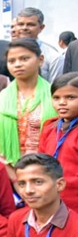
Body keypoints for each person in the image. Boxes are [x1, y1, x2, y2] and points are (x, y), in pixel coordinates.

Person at [0, 39, 58, 181]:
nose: (18, 64)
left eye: (24, 58)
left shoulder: (56, 98)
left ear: (40, 60)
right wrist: (17, 180)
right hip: (10, 177)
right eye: (12, 61)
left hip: (52, 175)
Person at [38, 72, 78, 211]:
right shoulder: (50, 126)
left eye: (70, 97)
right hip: (52, 199)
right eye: (56, 98)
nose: (62, 102)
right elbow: (41, 161)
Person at [15, 8, 63, 82]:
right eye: (20, 24)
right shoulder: (5, 51)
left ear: (41, 27)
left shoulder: (53, 56)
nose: (24, 28)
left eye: (30, 24)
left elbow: (56, 89)